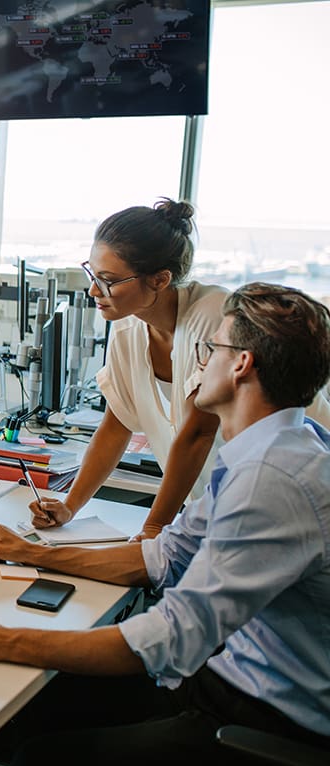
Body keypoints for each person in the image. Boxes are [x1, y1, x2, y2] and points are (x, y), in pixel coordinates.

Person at [0, 282, 330, 766]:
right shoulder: (274, 448)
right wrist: (33, 553)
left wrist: (0, 638)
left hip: (266, 720)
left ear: (241, 365)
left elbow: (170, 636)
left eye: (210, 349)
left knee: (42, 764)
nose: (199, 362)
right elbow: (164, 558)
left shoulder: (272, 477)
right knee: (38, 706)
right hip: (229, 675)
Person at [30, 198, 327, 538]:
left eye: (108, 279)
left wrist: (155, 528)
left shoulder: (215, 317)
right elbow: (116, 427)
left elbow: (198, 433)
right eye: (92, 274)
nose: (94, 290)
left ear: (159, 279)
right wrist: (70, 505)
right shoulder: (127, 328)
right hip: (220, 506)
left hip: (289, 500)